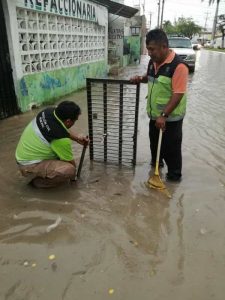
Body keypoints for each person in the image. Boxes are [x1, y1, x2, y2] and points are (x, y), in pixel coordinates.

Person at [131, 29, 189, 182]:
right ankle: (156, 167)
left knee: (172, 149)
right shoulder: (153, 62)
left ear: (164, 47)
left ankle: (174, 178)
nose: (149, 53)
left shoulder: (179, 66)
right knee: (155, 143)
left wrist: (164, 116)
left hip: (171, 118)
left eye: (152, 49)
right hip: (155, 116)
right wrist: (140, 78)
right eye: (148, 49)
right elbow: (151, 78)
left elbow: (178, 94)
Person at [15, 101, 89, 188]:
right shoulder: (61, 139)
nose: (74, 123)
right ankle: (36, 183)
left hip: (22, 157)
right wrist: (74, 180)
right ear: (68, 121)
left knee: (60, 158)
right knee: (69, 170)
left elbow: (60, 128)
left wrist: (76, 138)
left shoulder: (48, 112)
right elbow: (71, 164)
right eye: (75, 121)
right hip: (29, 165)